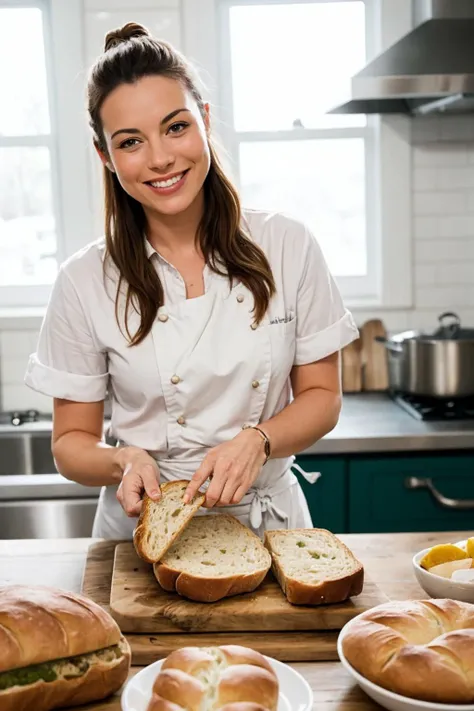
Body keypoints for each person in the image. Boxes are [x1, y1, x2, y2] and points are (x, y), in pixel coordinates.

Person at [25, 22, 359, 539]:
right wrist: (123, 460)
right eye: (131, 141)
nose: (160, 158)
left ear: (204, 119)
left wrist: (260, 440)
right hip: (141, 534)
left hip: (269, 523)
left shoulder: (288, 245)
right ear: (105, 158)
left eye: (175, 127)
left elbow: (322, 396)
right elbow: (70, 441)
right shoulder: (83, 280)